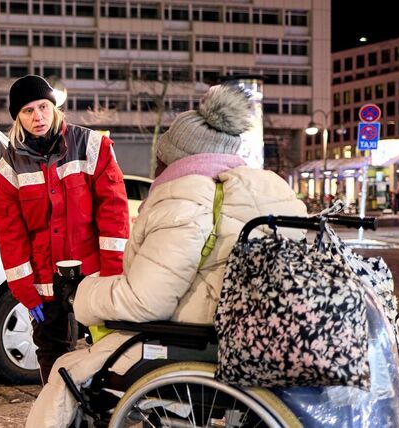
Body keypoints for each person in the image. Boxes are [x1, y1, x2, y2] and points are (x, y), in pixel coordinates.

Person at [25, 85, 308, 427]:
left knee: (65, 370)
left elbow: (145, 301)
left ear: (178, 156)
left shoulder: (186, 198)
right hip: (263, 335)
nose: (157, 164)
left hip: (194, 339)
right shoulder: (270, 188)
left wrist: (82, 294)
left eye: (162, 155)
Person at [0, 75, 130, 385]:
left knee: (108, 349)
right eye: (27, 111)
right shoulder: (9, 166)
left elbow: (114, 213)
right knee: (53, 353)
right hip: (45, 280)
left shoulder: (92, 146)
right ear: (17, 118)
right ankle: (59, 414)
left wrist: (112, 274)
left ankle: (104, 414)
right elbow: (10, 234)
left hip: (93, 275)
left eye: (43, 106)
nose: (37, 117)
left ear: (54, 107)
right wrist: (25, 291)